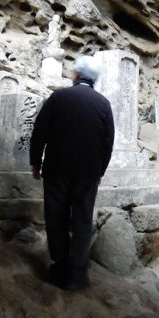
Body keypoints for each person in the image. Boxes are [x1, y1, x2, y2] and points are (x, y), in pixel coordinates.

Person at [29, 55, 115, 291]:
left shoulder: (59, 97)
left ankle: (60, 266)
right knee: (82, 219)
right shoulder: (103, 103)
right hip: (88, 172)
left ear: (76, 75)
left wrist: (36, 161)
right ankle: (77, 274)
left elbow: (40, 130)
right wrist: (101, 170)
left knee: (56, 216)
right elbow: (108, 142)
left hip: (57, 168)